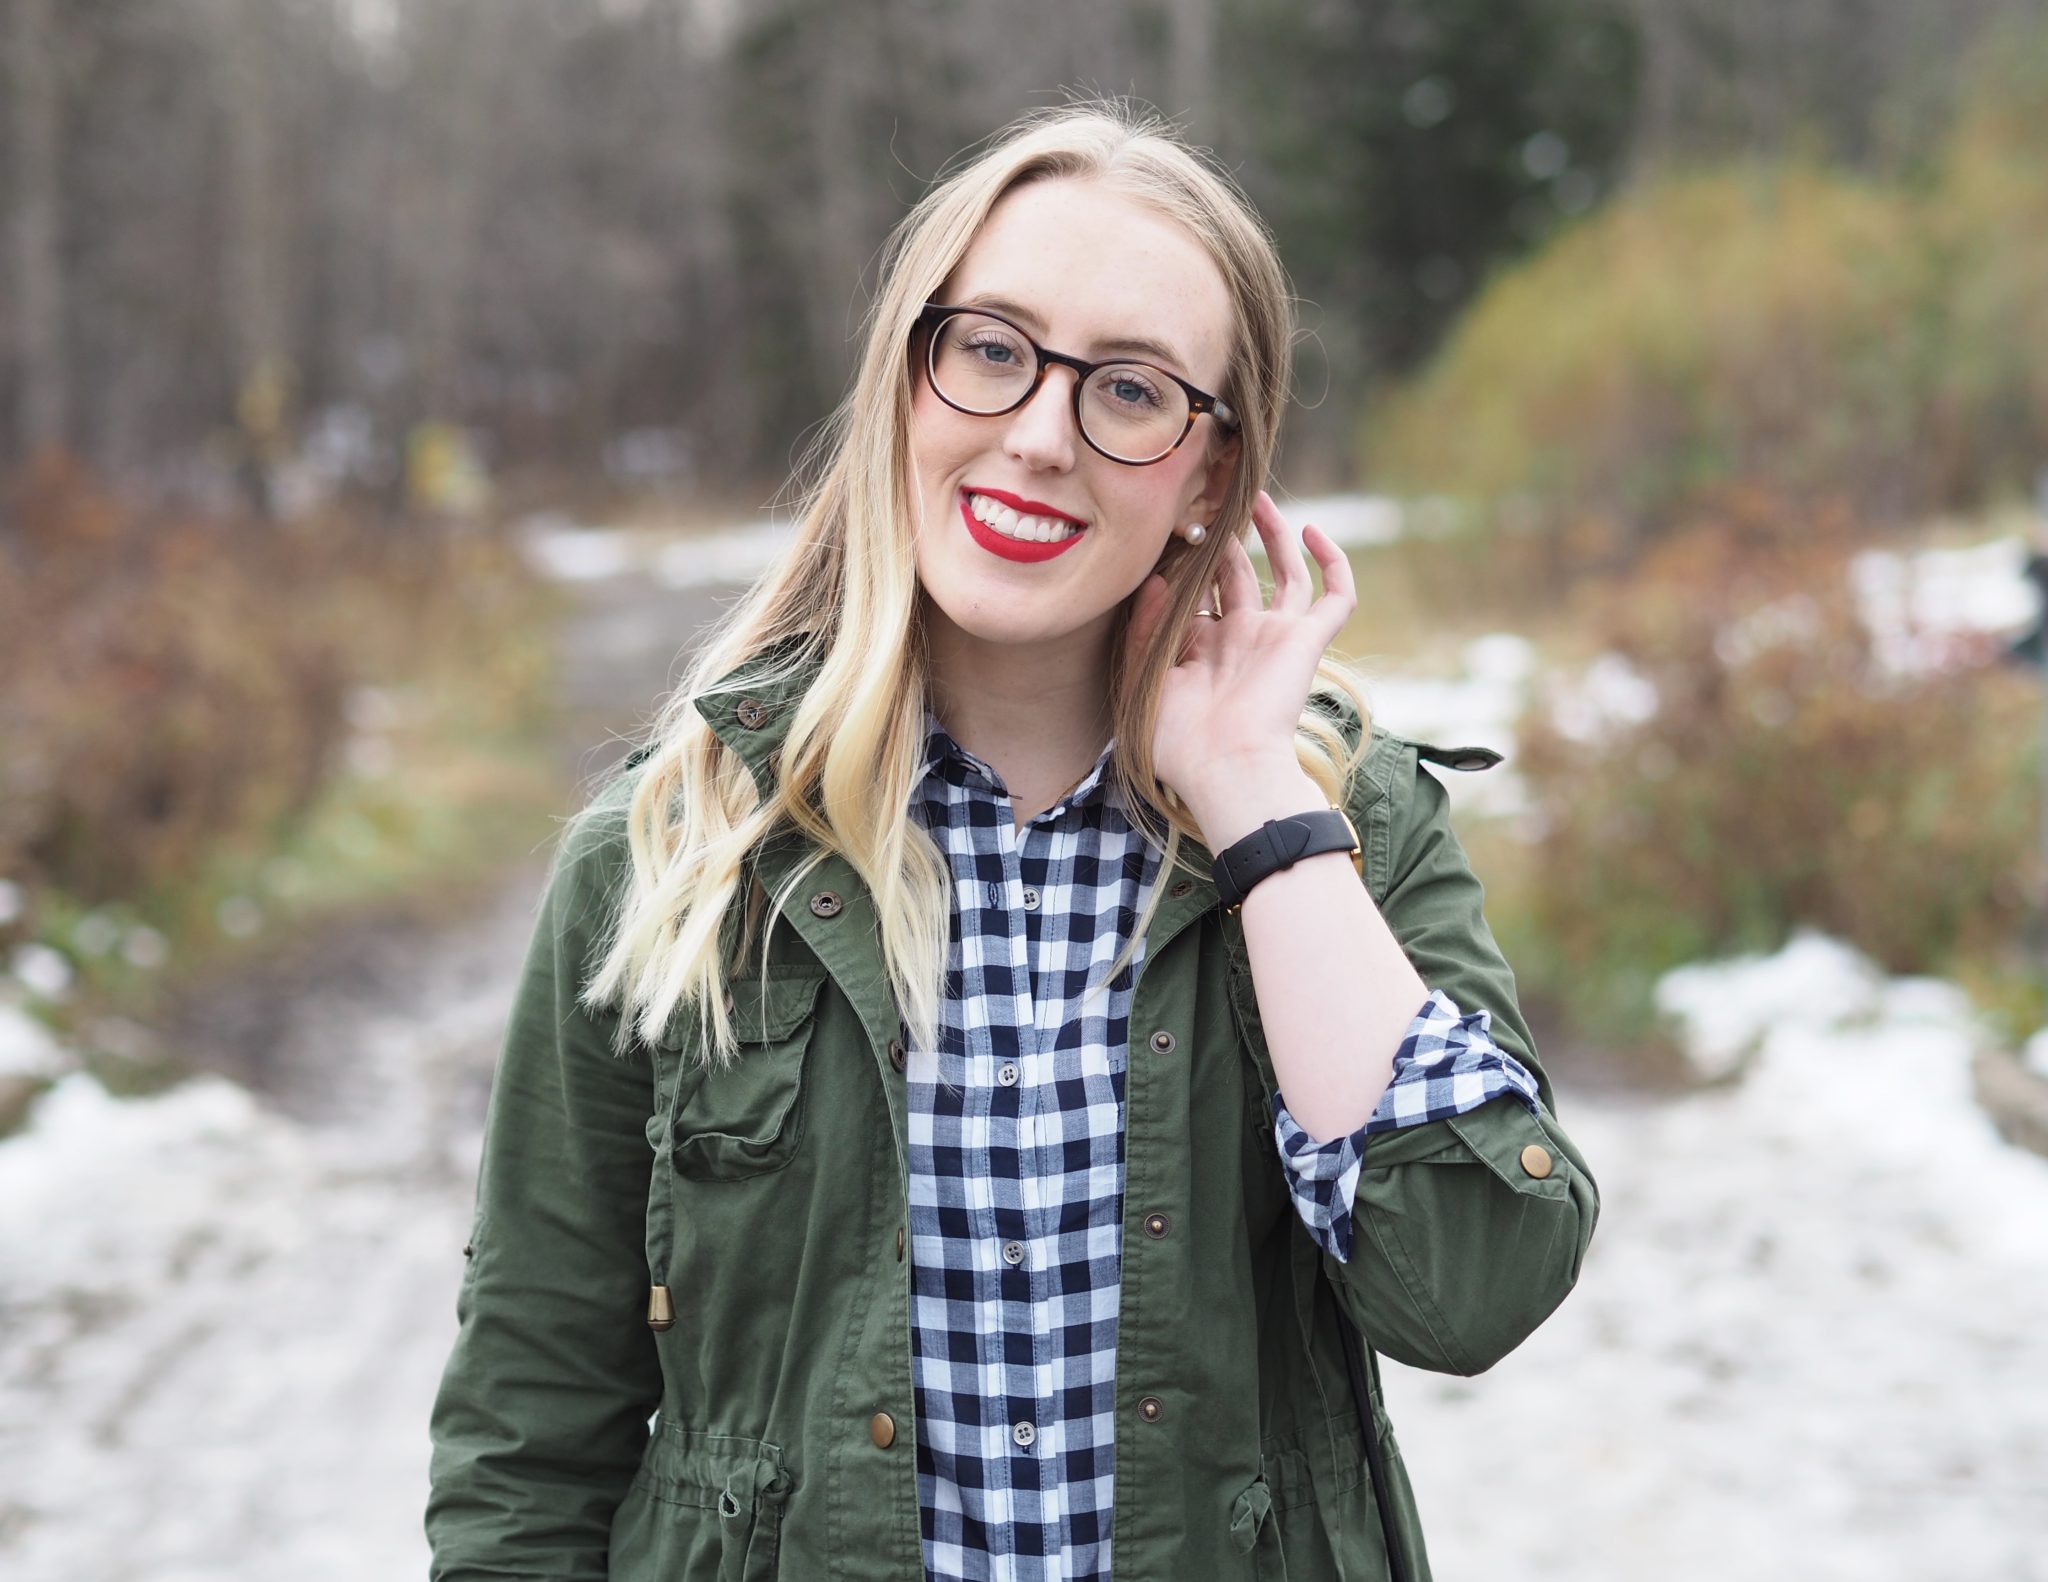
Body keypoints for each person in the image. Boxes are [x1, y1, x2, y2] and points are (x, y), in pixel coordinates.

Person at [426, 102, 1598, 1582]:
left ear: (1209, 475)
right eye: (992, 349)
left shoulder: (1340, 826)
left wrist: (1254, 805)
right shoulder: (673, 853)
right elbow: (528, 1441)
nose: (1041, 437)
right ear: (903, 381)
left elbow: (1475, 1285)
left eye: (1131, 389)